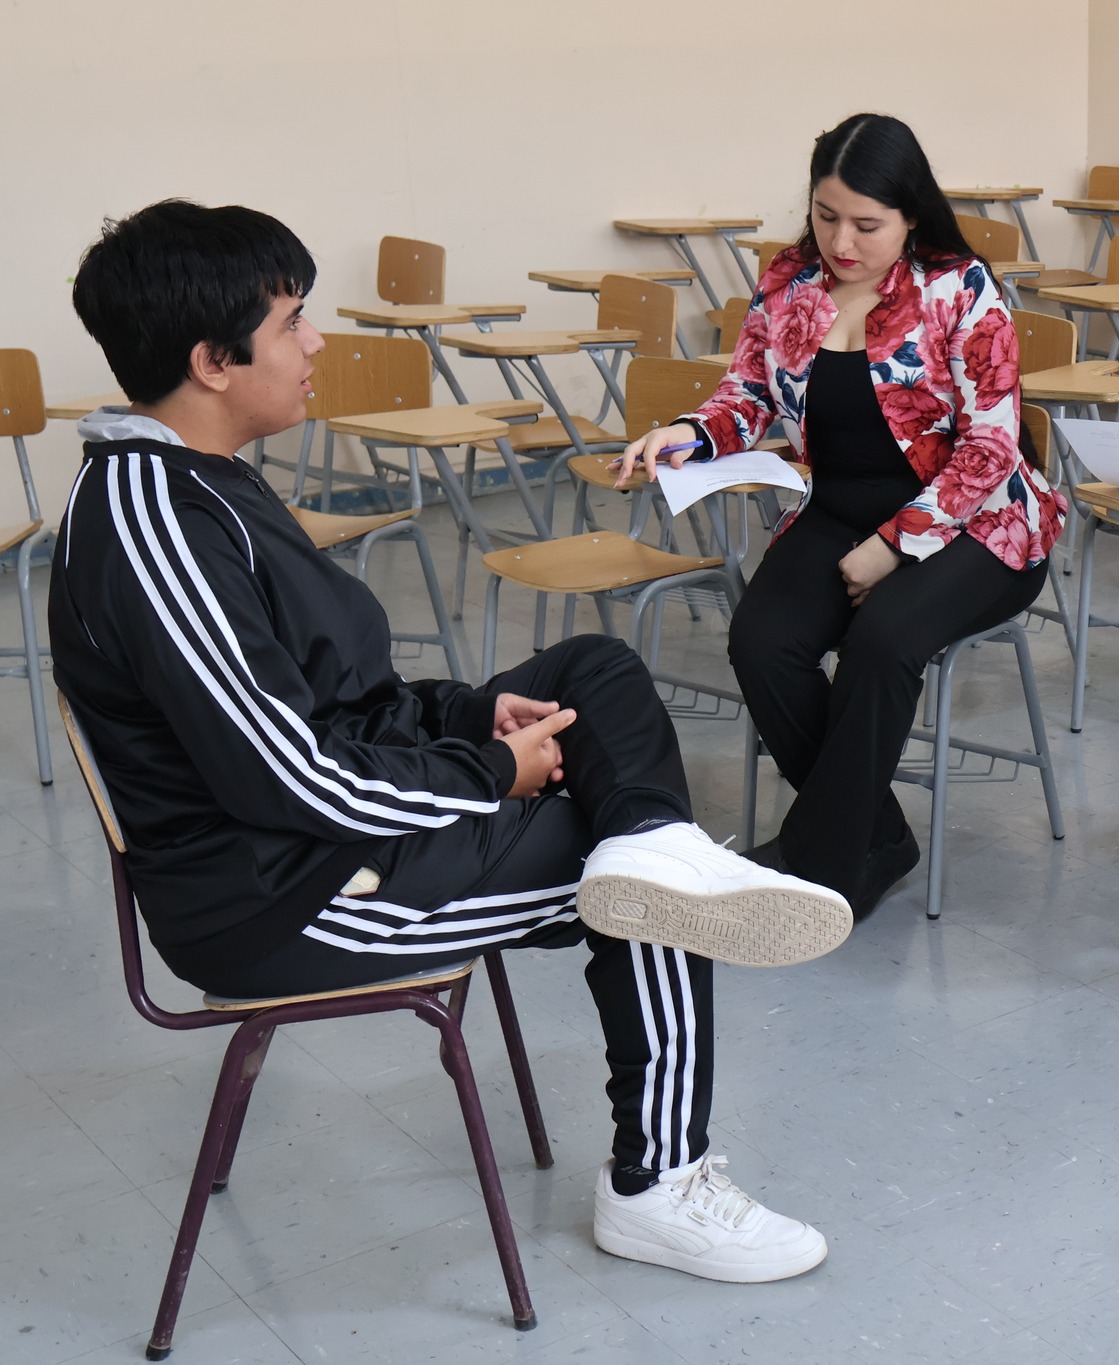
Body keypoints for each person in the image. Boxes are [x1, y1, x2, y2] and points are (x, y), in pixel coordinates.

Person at [52, 200, 855, 1284]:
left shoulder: (201, 477)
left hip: (320, 841)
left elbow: (331, 697)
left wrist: (470, 716)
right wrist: (488, 771)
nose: (316, 341)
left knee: (593, 673)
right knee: (644, 884)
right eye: (291, 322)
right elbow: (291, 774)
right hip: (283, 896)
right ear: (212, 362)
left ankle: (652, 842)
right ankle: (658, 1186)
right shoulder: (156, 520)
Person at [617, 112, 1065, 921]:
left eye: (867, 224)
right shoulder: (791, 279)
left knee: (882, 643)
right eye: (826, 217)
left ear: (911, 215)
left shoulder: (959, 289)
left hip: (978, 520)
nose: (842, 242)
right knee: (762, 641)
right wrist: (689, 432)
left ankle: (814, 863)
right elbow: (748, 392)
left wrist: (893, 547)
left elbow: (992, 448)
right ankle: (875, 836)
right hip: (841, 507)